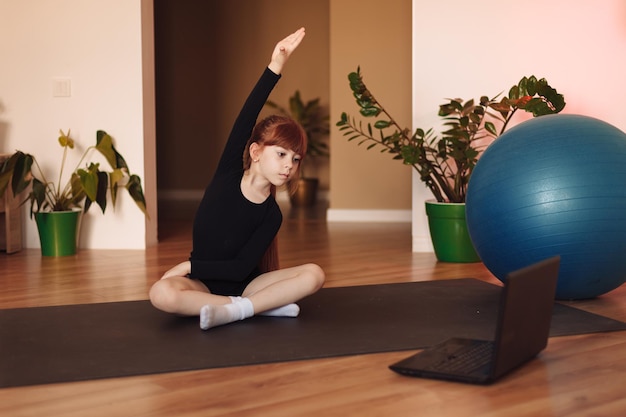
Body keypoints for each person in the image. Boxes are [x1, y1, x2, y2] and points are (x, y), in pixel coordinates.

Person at [149, 27, 325, 331]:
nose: (289, 166)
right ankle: (255, 309)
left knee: (315, 273)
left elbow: (240, 268)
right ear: (255, 151)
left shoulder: (272, 214)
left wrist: (187, 265)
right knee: (161, 293)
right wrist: (275, 67)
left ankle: (239, 308)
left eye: (295, 159)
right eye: (281, 154)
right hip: (203, 286)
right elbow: (247, 114)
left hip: (248, 285)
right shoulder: (228, 173)